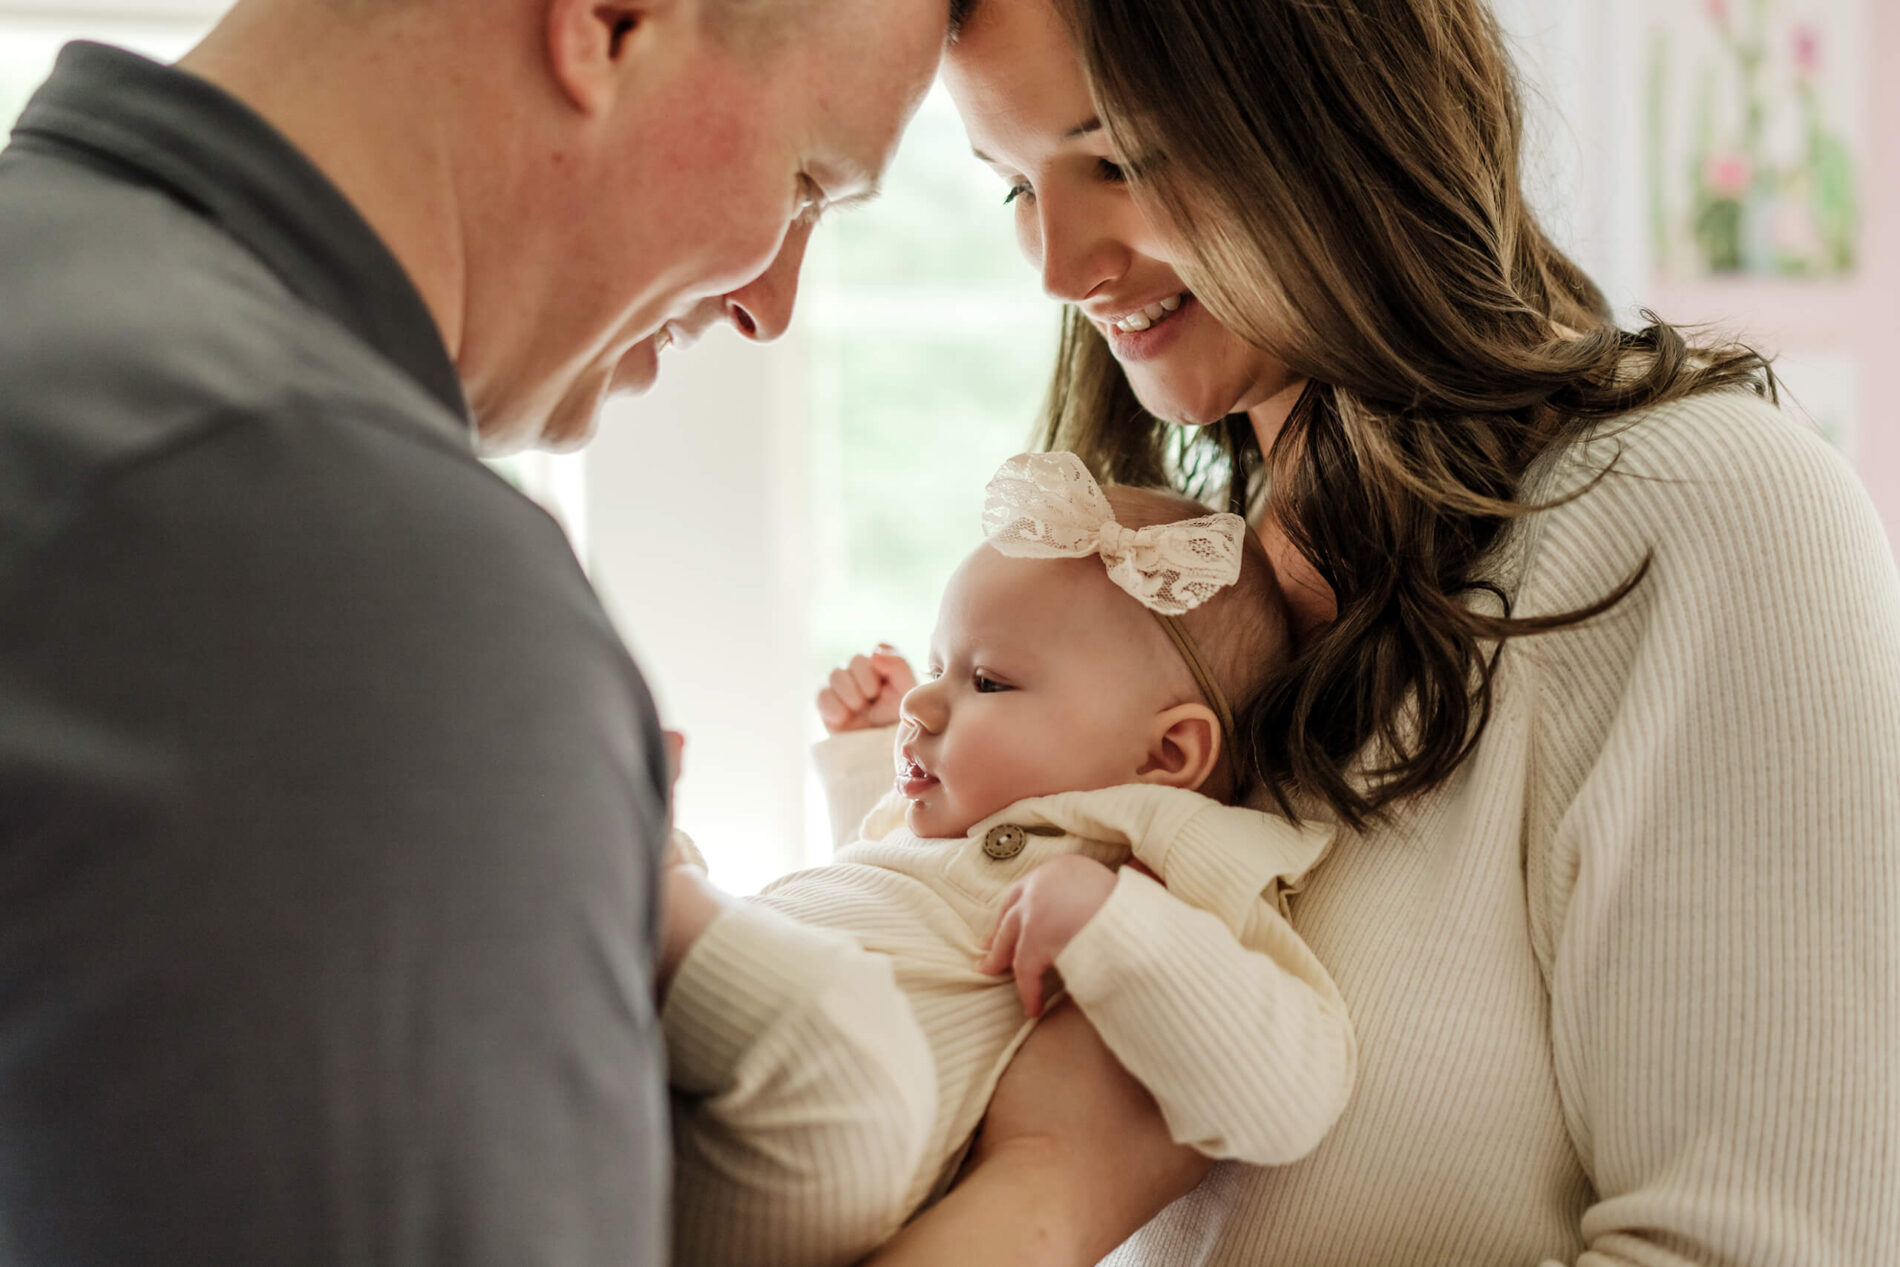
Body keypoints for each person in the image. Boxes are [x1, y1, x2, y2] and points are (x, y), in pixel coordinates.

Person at [680, 0, 1900, 1262]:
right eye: (1012, 188)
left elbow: (1761, 1242)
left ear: (1338, 117)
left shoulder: (1693, 510)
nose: (1057, 265)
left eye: (1120, 159)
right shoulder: (1174, 609)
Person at [0, 0, 951, 1260]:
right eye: (806, 182)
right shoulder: (346, 575)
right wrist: (1056, 1193)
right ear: (611, 23)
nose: (771, 303)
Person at [659, 451, 1355, 1267]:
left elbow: (1299, 1088)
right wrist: (865, 756)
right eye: (935, 666)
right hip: (691, 1096)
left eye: (985, 681)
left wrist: (1119, 925)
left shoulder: (1162, 854)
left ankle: (638, 866)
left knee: (794, 992)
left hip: (826, 1142)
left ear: (1168, 753)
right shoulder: (964, 821)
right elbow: (890, 902)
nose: (922, 700)